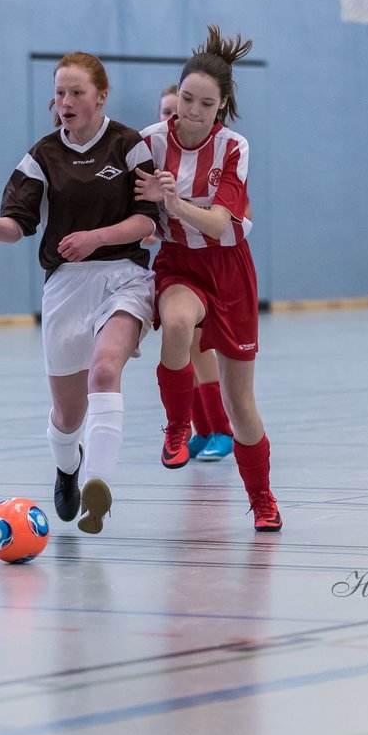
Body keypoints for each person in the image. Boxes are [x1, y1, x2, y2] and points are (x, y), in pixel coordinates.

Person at [0, 52, 157, 535]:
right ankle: (68, 466)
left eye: (76, 92)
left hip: (125, 275)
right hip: (66, 286)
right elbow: (19, 226)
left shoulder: (129, 145)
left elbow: (147, 222)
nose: (66, 102)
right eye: (59, 93)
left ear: (100, 96)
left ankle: (98, 483)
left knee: (105, 369)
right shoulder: (43, 155)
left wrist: (96, 238)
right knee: (68, 414)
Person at [135, 27, 282, 532]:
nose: (192, 111)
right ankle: (178, 427)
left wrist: (174, 204)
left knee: (240, 404)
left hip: (230, 271)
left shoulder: (234, 148)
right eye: (186, 99)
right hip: (179, 264)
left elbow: (222, 225)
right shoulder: (149, 143)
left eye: (205, 104)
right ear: (175, 95)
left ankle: (262, 498)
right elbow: (132, 206)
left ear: (221, 107)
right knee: (176, 324)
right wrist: (149, 220)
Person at [157, 83, 236, 464]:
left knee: (202, 353)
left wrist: (182, 210)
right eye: (166, 111)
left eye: (189, 105)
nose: (177, 116)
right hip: (176, 265)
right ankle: (200, 429)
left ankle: (221, 428)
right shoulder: (156, 155)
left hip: (216, 269)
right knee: (182, 346)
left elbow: (234, 221)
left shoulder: (222, 161)